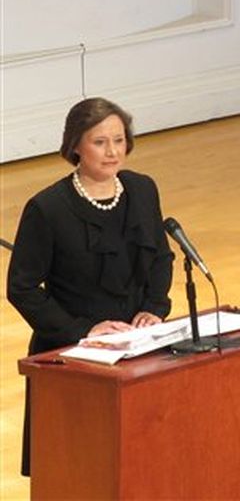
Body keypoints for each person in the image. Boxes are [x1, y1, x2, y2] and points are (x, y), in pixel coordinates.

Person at [7, 97, 174, 476]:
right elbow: (23, 287)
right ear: (75, 146)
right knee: (80, 464)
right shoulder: (47, 208)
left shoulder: (143, 190)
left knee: (140, 457)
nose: (113, 151)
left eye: (119, 140)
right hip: (73, 353)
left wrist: (154, 308)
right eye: (100, 142)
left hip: (139, 343)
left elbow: (161, 258)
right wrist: (82, 330)